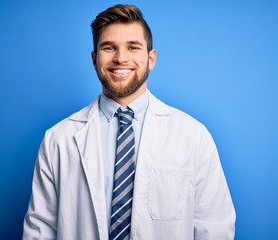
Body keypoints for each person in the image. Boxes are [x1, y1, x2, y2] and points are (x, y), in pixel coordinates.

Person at [23, 4, 236, 240]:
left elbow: (215, 228)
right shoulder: (58, 140)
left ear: (151, 58)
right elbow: (39, 231)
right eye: (108, 47)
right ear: (94, 59)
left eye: (133, 47)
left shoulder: (193, 136)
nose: (120, 58)